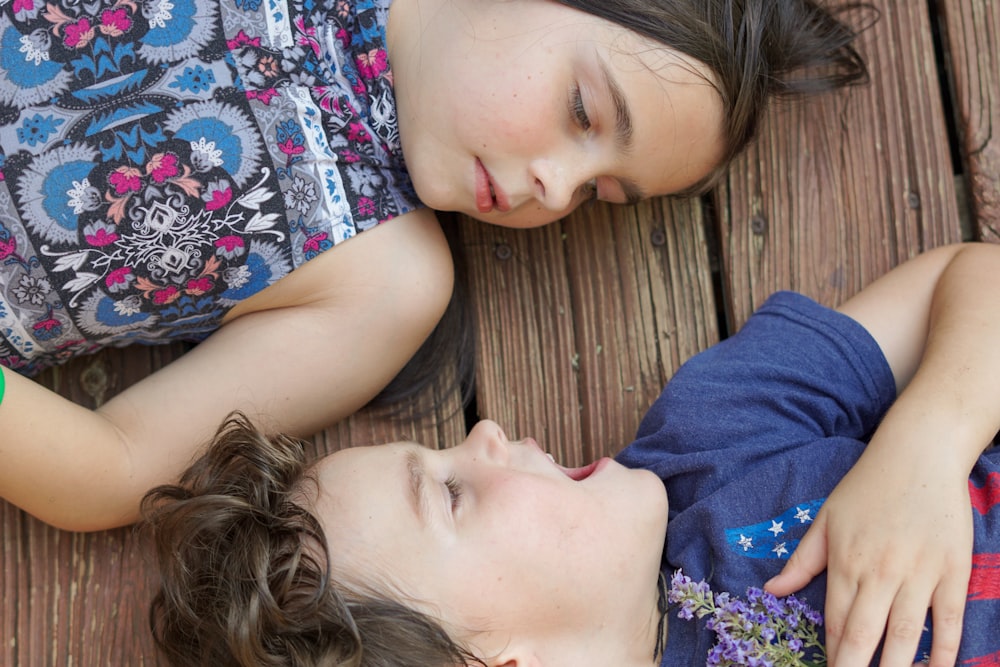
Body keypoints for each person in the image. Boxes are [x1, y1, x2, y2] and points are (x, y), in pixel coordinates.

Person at [0, 0, 868, 531]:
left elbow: (113, 466)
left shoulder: (383, 279)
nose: (555, 187)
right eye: (581, 109)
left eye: (604, 193)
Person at [142, 241, 1000, 667]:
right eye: (450, 493)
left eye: (440, 449)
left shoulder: (714, 438)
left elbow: (977, 277)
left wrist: (924, 446)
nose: (483, 435)